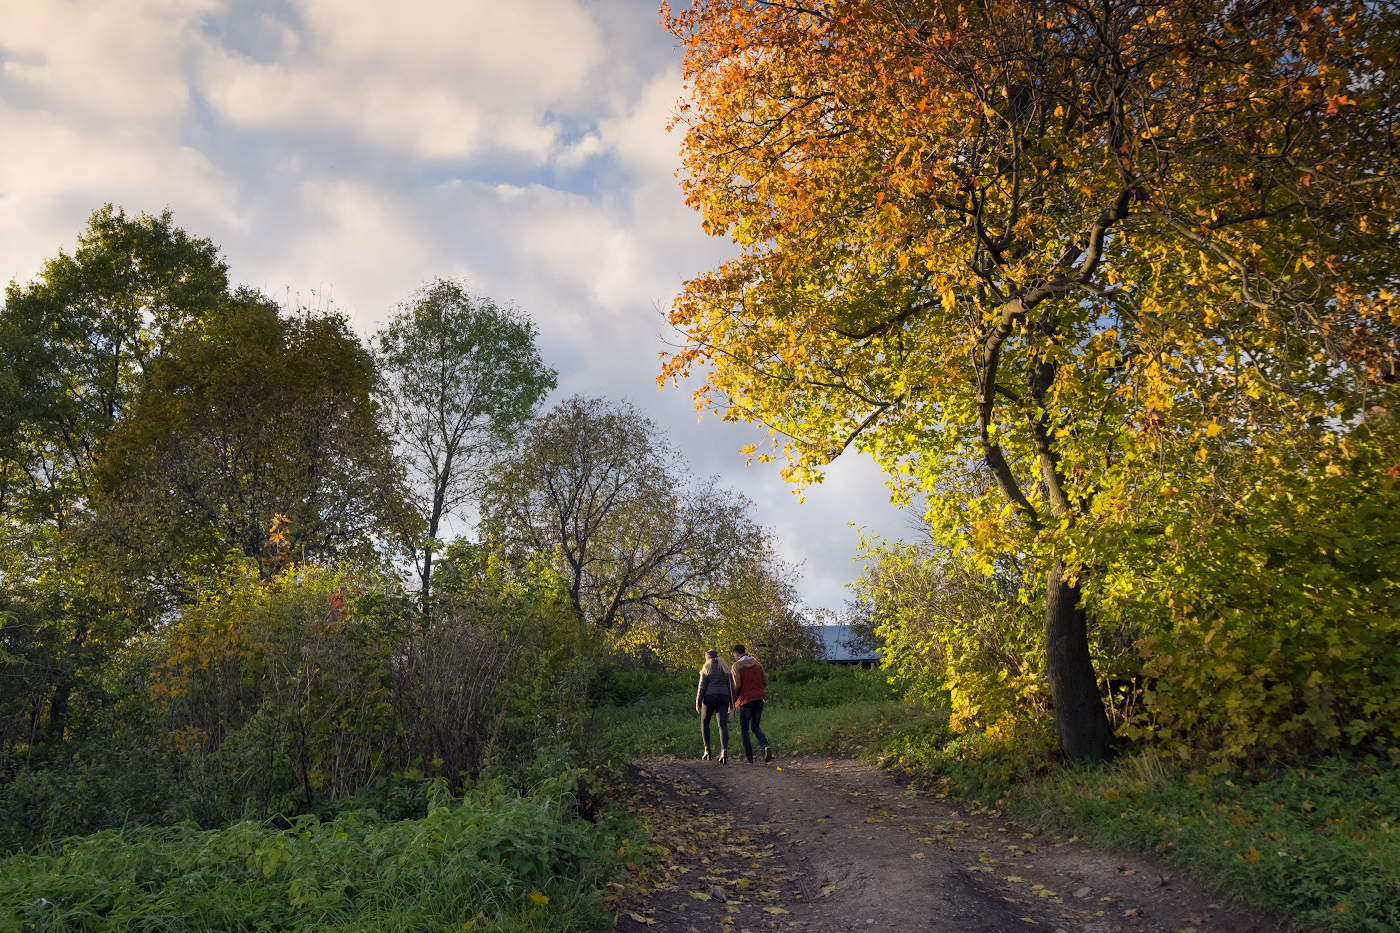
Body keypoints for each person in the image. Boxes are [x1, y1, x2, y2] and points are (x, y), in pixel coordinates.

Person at [730, 644, 772, 763]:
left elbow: (737, 685)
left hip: (745, 700)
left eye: (733, 654)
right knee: (755, 726)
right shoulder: (757, 664)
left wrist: (734, 698)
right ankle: (765, 745)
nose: (734, 656)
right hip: (759, 698)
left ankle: (749, 758)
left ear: (737, 653)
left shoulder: (736, 666)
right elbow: (765, 680)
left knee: (744, 729)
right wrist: (759, 690)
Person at [695, 649, 733, 763]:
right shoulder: (725, 668)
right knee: (722, 725)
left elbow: (701, 687)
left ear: (707, 657)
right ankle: (724, 751)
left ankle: (707, 750)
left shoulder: (706, 667)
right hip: (723, 697)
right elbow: (731, 687)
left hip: (710, 697)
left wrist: (698, 702)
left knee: (705, 722)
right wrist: (732, 703)